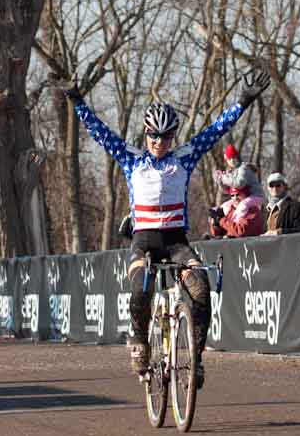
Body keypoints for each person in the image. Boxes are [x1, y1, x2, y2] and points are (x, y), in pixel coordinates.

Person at [55, 68, 270, 385]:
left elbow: (215, 130)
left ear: (173, 136)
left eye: (166, 136)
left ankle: (195, 360)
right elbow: (99, 132)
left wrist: (243, 101)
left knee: (200, 288)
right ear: (145, 135)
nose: (159, 141)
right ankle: (139, 340)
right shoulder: (131, 159)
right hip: (143, 240)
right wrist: (76, 99)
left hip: (176, 241)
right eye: (153, 136)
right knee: (141, 289)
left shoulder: (184, 156)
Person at [207, 165, 266, 238]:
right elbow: (220, 233)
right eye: (232, 195)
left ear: (245, 194)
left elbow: (240, 231)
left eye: (238, 195)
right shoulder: (230, 210)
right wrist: (215, 224)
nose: (235, 198)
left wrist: (221, 220)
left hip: (249, 247)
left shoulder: (252, 211)